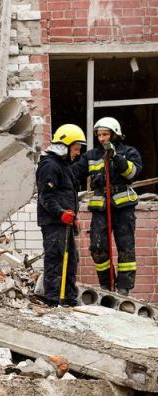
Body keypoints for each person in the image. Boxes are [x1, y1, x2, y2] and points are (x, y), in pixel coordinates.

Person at [73, 117, 143, 295]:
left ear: (115, 134)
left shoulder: (129, 152)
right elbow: (74, 173)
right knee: (97, 246)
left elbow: (132, 173)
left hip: (123, 208)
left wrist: (116, 158)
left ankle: (123, 288)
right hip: (101, 208)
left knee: (125, 246)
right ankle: (106, 283)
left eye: (105, 134)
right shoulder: (92, 155)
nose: (102, 138)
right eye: (99, 135)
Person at [36, 124, 85, 306]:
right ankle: (53, 299)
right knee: (55, 259)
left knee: (71, 259)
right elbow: (46, 197)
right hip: (54, 223)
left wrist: (74, 217)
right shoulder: (49, 165)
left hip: (66, 222)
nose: (78, 153)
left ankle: (69, 298)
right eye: (76, 148)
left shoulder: (64, 166)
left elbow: (66, 195)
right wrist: (60, 214)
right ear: (65, 144)